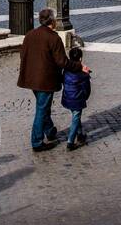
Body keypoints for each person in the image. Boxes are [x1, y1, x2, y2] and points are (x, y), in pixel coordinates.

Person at [16, 8, 68, 152]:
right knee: (41, 109)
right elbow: (62, 61)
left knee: (43, 105)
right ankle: (37, 141)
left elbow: (23, 55)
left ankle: (50, 131)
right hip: (46, 80)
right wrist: (78, 66)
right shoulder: (54, 38)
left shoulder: (30, 35)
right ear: (52, 21)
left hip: (32, 79)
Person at [61, 47, 92, 151]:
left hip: (67, 98)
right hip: (77, 99)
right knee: (75, 117)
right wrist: (87, 74)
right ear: (80, 58)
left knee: (75, 115)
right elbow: (87, 89)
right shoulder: (83, 74)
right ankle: (70, 141)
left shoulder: (65, 71)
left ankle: (80, 134)